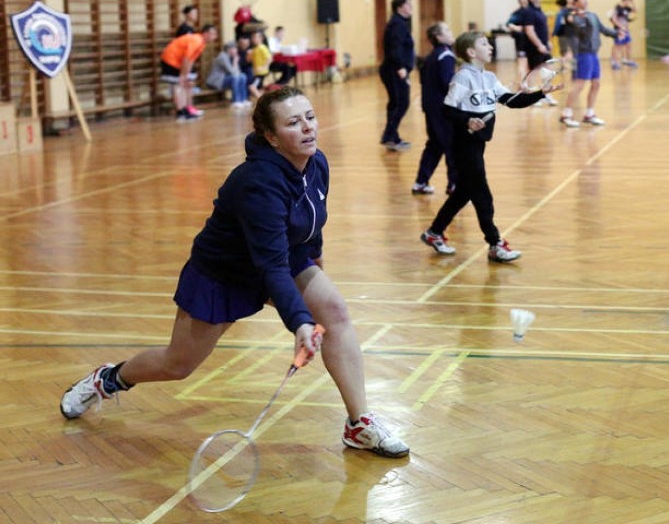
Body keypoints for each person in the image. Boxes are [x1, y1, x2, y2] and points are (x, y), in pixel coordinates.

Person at [59, 87, 410, 459]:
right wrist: (301, 322)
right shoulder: (258, 182)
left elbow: (311, 222)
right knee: (177, 365)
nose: (307, 128)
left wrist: (316, 263)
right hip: (224, 274)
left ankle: (358, 424)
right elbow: (269, 267)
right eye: (293, 123)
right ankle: (109, 379)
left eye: (310, 117)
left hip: (282, 258)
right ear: (271, 137)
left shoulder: (316, 162)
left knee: (335, 313)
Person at [420, 31, 560, 263]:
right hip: (463, 145)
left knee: (463, 193)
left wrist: (540, 94)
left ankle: (434, 232)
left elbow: (512, 102)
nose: (490, 46)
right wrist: (467, 120)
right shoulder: (463, 78)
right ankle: (495, 243)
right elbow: (447, 110)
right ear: (471, 52)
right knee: (483, 196)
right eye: (484, 43)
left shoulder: (490, 78)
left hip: (478, 144)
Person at [560, 0, 621, 128]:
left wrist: (617, 33)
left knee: (596, 83)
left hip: (594, 54)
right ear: (575, 2)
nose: (585, 1)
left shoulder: (592, 15)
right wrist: (581, 18)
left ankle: (589, 114)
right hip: (583, 53)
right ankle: (566, 114)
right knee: (580, 84)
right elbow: (582, 31)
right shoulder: (573, 17)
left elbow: (603, 29)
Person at [412, 22, 457, 196]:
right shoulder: (446, 56)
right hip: (442, 109)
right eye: (447, 30)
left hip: (430, 108)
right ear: (438, 37)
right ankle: (454, 185)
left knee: (435, 145)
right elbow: (448, 84)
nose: (451, 32)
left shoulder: (432, 56)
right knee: (452, 146)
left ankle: (421, 182)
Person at [160, 23, 218, 122]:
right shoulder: (197, 40)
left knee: (183, 84)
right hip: (170, 60)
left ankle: (185, 110)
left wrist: (185, 76)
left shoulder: (201, 43)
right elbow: (186, 59)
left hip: (177, 62)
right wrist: (183, 76)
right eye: (212, 34)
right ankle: (180, 112)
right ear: (205, 33)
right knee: (178, 85)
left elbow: (191, 60)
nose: (214, 37)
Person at [379, 0, 415, 151]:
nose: (411, 6)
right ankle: (388, 136)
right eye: (408, 4)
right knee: (401, 103)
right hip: (394, 70)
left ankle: (392, 137)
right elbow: (395, 48)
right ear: (400, 7)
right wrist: (401, 68)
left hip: (395, 69)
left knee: (396, 103)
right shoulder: (397, 24)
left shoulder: (401, 23)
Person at [521, 0, 558, 106]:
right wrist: (539, 45)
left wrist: (547, 42)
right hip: (534, 47)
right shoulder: (528, 11)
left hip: (544, 46)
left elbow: (544, 28)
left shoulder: (539, 10)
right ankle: (532, 96)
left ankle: (546, 94)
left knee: (548, 70)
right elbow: (529, 30)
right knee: (534, 71)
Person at [206, 41, 251, 109]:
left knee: (243, 76)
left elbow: (238, 72)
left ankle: (243, 99)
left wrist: (235, 63)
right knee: (235, 78)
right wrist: (235, 62)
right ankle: (236, 101)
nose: (236, 50)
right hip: (216, 81)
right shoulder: (222, 56)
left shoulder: (231, 57)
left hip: (224, 79)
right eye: (235, 49)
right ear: (229, 49)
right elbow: (232, 72)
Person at [506, 0, 529, 85]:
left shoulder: (531, 11)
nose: (524, 0)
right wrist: (517, 28)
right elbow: (509, 24)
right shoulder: (517, 13)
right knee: (522, 61)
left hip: (531, 41)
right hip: (521, 40)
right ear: (520, 1)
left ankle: (528, 82)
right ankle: (522, 82)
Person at [610, 0, 638, 69]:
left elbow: (635, 11)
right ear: (624, 0)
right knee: (617, 46)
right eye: (628, 1)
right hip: (619, 30)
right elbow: (614, 18)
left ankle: (629, 60)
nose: (629, 3)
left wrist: (633, 3)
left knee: (629, 45)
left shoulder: (627, 8)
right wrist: (620, 26)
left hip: (626, 30)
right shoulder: (618, 7)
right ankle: (614, 62)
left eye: (629, 1)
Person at [249, 29, 273, 95]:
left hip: (261, 73)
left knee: (252, 87)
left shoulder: (262, 48)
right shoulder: (255, 49)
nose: (253, 39)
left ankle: (261, 101)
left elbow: (269, 58)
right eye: (252, 37)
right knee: (260, 89)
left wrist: (263, 68)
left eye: (255, 37)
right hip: (257, 73)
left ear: (261, 38)